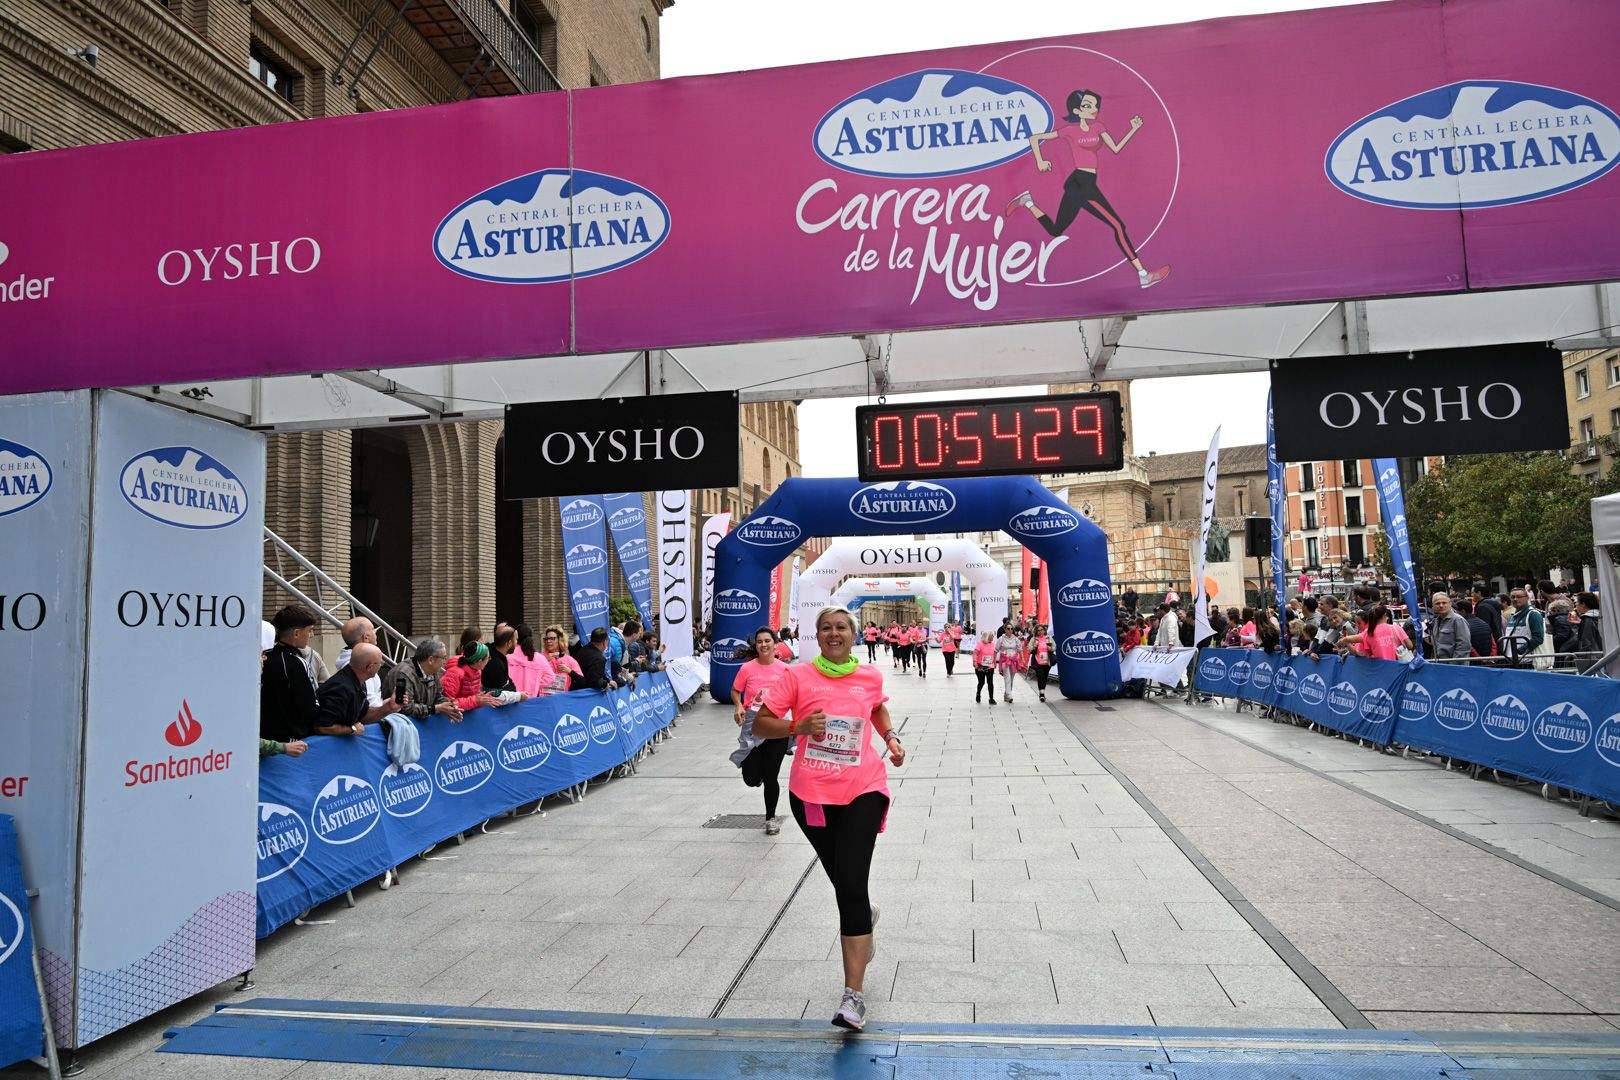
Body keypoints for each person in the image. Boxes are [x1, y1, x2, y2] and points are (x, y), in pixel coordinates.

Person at [753, 606, 904, 1031]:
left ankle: (852, 996)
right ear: (816, 635)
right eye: (825, 628)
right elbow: (759, 725)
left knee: (850, 886)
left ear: (853, 635)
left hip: (863, 788)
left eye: (841, 627)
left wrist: (890, 737)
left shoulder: (870, 676)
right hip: (811, 795)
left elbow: (876, 709)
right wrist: (796, 726)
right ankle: (864, 918)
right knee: (845, 881)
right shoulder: (795, 676)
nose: (833, 633)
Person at [1005, 88, 1170, 289]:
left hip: (1086, 183)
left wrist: (1133, 129)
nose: (1094, 109)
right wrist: (1040, 161)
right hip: (1081, 183)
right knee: (1118, 226)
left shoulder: (1098, 127)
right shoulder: (1069, 131)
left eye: (1095, 106)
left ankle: (1028, 202)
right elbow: (1034, 139)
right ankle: (1144, 275)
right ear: (1077, 110)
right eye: (1087, 106)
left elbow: (1116, 148)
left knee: (1056, 230)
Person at [731, 628, 794, 835]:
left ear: (775, 644)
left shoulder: (785, 670)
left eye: (768, 641)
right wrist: (738, 705)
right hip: (752, 727)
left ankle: (771, 819)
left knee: (771, 776)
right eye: (760, 642)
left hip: (777, 727)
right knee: (751, 778)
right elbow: (735, 690)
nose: (764, 645)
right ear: (755, 645)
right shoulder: (747, 668)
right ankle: (757, 774)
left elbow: (794, 696)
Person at [261, 603, 322, 743]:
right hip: (291, 739)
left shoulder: (266, 657)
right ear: (296, 633)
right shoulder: (295, 662)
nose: (311, 635)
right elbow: (309, 706)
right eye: (310, 630)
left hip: (266, 735)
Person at [313, 642, 395, 737]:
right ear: (370, 667)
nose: (381, 665)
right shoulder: (341, 688)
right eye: (380, 662)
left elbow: (363, 716)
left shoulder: (359, 682)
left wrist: (389, 707)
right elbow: (322, 727)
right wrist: (351, 729)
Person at [383, 636, 464, 723]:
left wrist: (450, 706)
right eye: (443, 658)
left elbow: (438, 697)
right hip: (399, 725)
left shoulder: (432, 671)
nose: (445, 661)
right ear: (431, 660)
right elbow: (404, 708)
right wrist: (435, 709)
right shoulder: (403, 674)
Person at [336, 616, 386, 711]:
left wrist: (390, 704)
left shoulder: (352, 661)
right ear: (366, 637)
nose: (376, 633)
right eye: (373, 630)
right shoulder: (359, 666)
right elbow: (370, 704)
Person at [440, 642, 504, 712]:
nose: (490, 659)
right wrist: (476, 700)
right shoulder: (454, 674)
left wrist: (483, 699)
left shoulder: (477, 671)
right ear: (479, 661)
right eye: (488, 658)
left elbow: (474, 697)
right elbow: (447, 704)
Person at [1339, 605, 1409, 661]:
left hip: (1378, 670)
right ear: (1385, 615)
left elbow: (1360, 652)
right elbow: (1410, 645)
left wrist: (1344, 640)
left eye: (1359, 623)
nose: (1356, 625)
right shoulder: (1396, 627)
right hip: (1397, 668)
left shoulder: (1369, 632)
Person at [506, 623, 560, 697]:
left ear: (515, 637)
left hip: (511, 698)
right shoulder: (539, 658)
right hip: (530, 699)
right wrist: (535, 683)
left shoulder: (508, 655)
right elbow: (551, 677)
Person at [1503, 587, 1549, 667]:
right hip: (1512, 661)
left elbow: (1538, 638)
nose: (1515, 599)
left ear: (1527, 598)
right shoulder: (1512, 616)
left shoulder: (1533, 614)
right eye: (1513, 597)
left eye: (1519, 597)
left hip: (1526, 662)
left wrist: (1519, 650)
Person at [574, 626, 624, 691]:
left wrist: (608, 680)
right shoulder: (599, 658)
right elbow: (594, 681)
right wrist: (605, 684)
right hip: (586, 693)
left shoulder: (582, 650)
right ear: (604, 642)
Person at [1425, 593, 1472, 660]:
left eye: (1444, 603)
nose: (1441, 605)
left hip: (1454, 666)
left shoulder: (1458, 620)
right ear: (1433, 606)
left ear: (1450, 604)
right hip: (1440, 664)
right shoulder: (1436, 621)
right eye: (1437, 603)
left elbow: (1464, 646)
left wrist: (1453, 665)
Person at [542, 625, 582, 692]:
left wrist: (569, 671)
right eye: (546, 639)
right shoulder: (539, 658)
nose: (548, 641)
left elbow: (582, 681)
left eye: (552, 638)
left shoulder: (569, 660)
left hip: (562, 700)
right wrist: (544, 662)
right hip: (543, 700)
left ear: (560, 640)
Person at [483, 624, 519, 692]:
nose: (516, 643)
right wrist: (519, 696)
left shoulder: (496, 653)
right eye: (516, 640)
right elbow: (500, 693)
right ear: (509, 643)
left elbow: (507, 680)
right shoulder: (495, 664)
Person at [994, 623, 1022, 703]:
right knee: (1007, 677)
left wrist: (1021, 659)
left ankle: (1006, 694)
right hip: (1004, 661)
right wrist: (994, 661)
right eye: (1008, 629)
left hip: (1014, 660)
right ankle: (1009, 695)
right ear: (1005, 629)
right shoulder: (1001, 639)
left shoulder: (1016, 639)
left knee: (1012, 678)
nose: (1010, 630)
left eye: (1011, 629)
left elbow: (1020, 649)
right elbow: (996, 650)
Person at [1026, 624, 1054, 702]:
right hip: (1037, 661)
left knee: (1045, 677)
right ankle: (1042, 694)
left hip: (1047, 661)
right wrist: (1034, 646)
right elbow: (1030, 649)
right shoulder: (1034, 639)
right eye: (1038, 630)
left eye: (1041, 630)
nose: (1040, 631)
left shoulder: (1048, 638)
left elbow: (1054, 647)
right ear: (1036, 631)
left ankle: (1042, 691)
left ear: (1044, 630)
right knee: (1040, 676)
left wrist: (1050, 648)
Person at [972, 631, 997, 705]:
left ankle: (991, 698)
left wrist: (995, 662)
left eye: (993, 636)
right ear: (987, 636)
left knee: (990, 682)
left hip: (990, 666)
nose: (993, 637)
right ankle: (978, 693)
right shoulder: (980, 644)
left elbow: (994, 655)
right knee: (981, 682)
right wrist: (975, 662)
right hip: (980, 666)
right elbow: (975, 653)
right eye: (991, 636)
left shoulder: (993, 644)